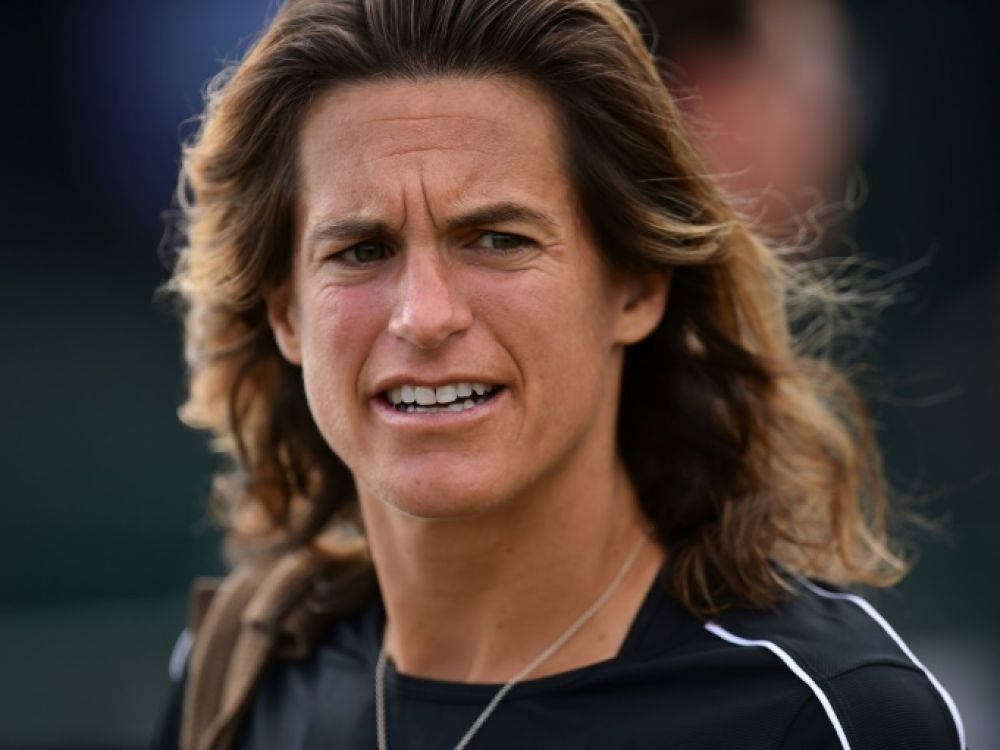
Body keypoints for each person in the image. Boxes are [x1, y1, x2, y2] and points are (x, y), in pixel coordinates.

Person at [155, 0, 965, 748]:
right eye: (361, 251)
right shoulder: (238, 671)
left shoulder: (821, 713)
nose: (424, 314)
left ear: (638, 285)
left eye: (498, 239)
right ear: (285, 312)